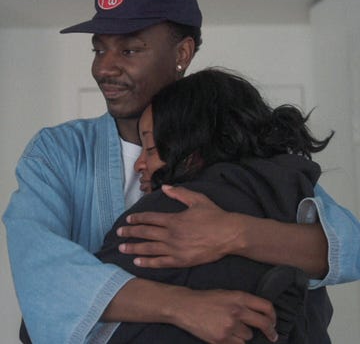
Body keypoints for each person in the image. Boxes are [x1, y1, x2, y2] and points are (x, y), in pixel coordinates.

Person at [2, 0, 359, 343]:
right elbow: (40, 271)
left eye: (129, 48)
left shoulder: (235, 147)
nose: (104, 67)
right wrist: (182, 305)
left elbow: (349, 247)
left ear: (182, 53)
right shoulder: (58, 152)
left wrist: (232, 234)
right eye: (98, 49)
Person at [97, 68, 333, 344]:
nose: (139, 164)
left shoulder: (168, 209)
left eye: (150, 148)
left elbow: (82, 306)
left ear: (188, 141)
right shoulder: (299, 199)